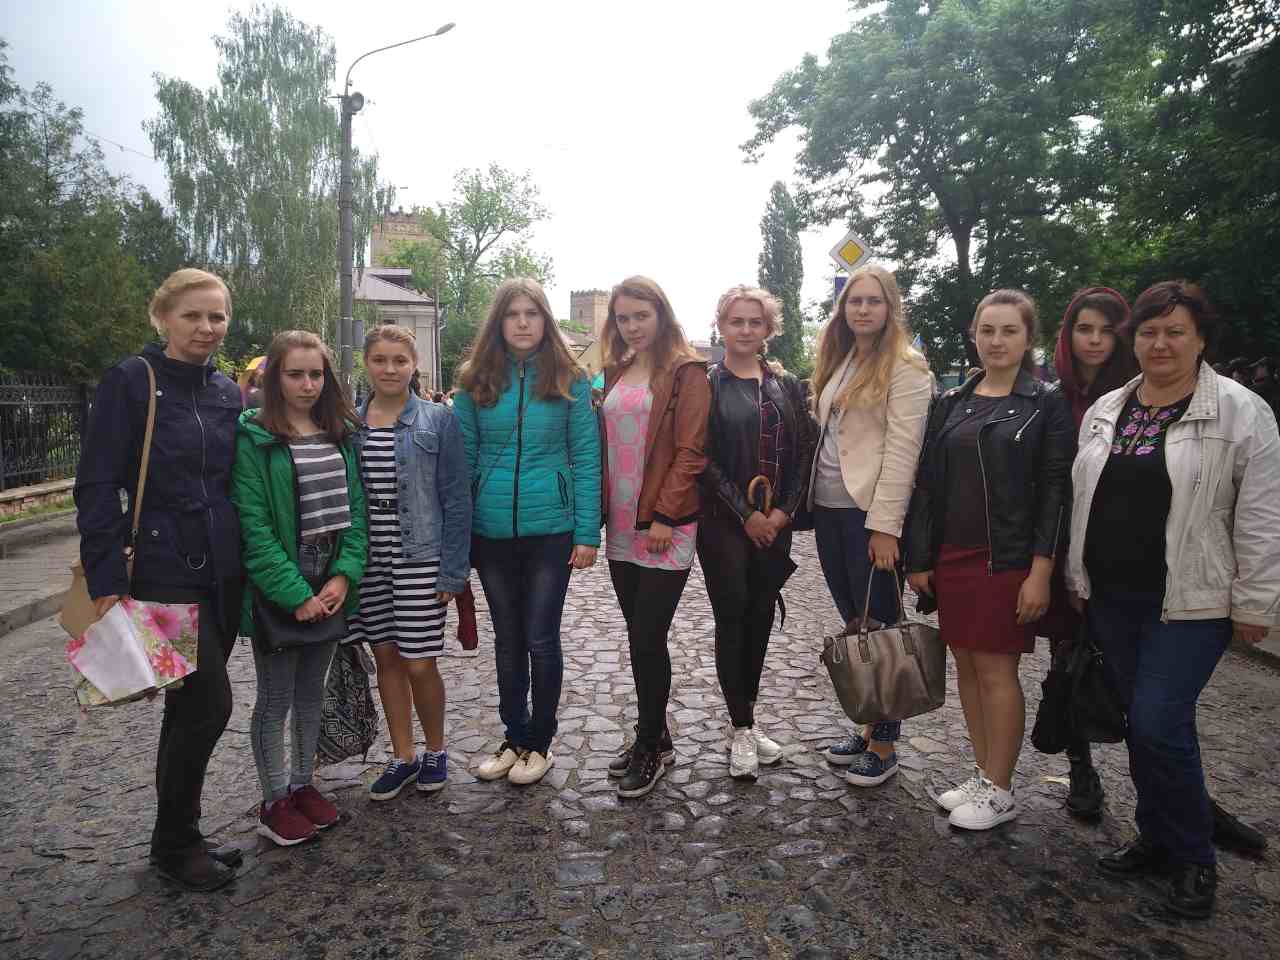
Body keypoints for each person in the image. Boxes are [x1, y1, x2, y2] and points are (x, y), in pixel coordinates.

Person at [1066, 281, 1280, 918]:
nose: (1160, 344)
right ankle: (1158, 837)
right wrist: (1077, 577)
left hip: (1191, 598)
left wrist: (1257, 602)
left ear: (1201, 338)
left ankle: (1193, 857)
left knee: (1159, 721)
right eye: (1149, 332)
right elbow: (1085, 497)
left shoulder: (1240, 412)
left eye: (1175, 331)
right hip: (1112, 595)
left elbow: (1262, 515)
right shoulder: (1110, 406)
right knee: (1144, 724)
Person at [74, 268, 244, 891]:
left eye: (217, 316)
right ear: (162, 318)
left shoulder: (227, 392)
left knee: (186, 707)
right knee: (209, 704)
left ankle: (177, 835)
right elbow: (97, 483)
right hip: (161, 567)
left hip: (223, 570)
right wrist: (105, 576)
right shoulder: (132, 381)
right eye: (192, 315)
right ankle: (176, 842)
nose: (206, 327)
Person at [905, 289, 1073, 831]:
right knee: (967, 667)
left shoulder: (1046, 402)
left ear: (1028, 339)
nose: (996, 341)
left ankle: (1001, 789)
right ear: (974, 336)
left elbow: (1055, 491)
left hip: (1006, 558)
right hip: (953, 555)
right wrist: (920, 556)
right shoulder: (952, 402)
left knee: (997, 670)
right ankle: (983, 774)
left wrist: (1041, 571)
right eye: (987, 330)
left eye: (1009, 331)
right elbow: (927, 485)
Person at [454, 278, 601, 786]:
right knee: (508, 640)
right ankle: (514, 736)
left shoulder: (569, 378)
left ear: (545, 320)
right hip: (491, 530)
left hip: (551, 530)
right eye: (512, 314)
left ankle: (540, 742)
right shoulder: (475, 380)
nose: (521, 322)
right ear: (498, 322)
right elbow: (463, 462)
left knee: (540, 637)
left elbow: (586, 458)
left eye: (531, 313)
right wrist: (461, 536)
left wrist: (587, 533)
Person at [231, 331, 369, 844]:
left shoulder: (338, 433)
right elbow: (254, 526)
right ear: (275, 378)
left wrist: (344, 575)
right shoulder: (256, 438)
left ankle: (302, 783)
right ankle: (274, 801)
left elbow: (356, 512)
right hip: (281, 585)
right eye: (295, 374)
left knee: (312, 692)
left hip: (330, 579)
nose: (308, 384)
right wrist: (295, 594)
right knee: (275, 698)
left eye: (316, 374)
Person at [807, 265, 932, 787]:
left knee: (880, 626)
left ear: (890, 308)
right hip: (829, 508)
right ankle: (867, 727)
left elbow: (904, 451)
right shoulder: (842, 357)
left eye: (873, 301)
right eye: (854, 301)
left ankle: (884, 744)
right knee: (857, 622)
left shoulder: (906, 366)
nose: (862, 309)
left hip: (868, 515)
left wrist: (886, 527)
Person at [346, 325, 471, 800]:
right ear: (367, 363)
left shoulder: (438, 420)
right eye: (380, 360)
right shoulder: (351, 424)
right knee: (386, 658)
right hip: (368, 556)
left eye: (399, 360)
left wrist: (453, 571)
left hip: (420, 553)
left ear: (414, 364)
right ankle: (403, 755)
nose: (390, 369)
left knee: (419, 661)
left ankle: (436, 749)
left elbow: (456, 498)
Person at [699, 285, 817, 781]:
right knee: (732, 619)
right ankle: (741, 726)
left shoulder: (786, 385)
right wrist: (745, 512)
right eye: (736, 321)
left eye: (755, 322)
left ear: (769, 329)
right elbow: (702, 457)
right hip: (723, 524)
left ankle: (747, 716)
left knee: (761, 619)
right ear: (721, 326)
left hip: (775, 524)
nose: (745, 330)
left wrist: (783, 512)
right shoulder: (708, 384)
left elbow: (804, 453)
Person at [599, 277, 710, 798]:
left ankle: (649, 745)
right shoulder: (617, 369)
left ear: (661, 314)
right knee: (638, 634)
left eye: (641, 315)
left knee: (648, 634)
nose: (632, 326)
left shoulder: (687, 372)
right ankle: (656, 736)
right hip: (622, 521)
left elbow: (691, 451)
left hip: (665, 524)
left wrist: (666, 514)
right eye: (623, 317)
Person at [1042, 287, 1139, 818]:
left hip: (1123, 547)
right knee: (1068, 658)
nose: (1096, 340)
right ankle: (1080, 766)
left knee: (1135, 672)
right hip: (1063, 545)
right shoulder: (1053, 397)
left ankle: (1172, 788)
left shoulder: (1138, 395)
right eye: (1085, 329)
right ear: (1069, 334)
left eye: (1107, 330)